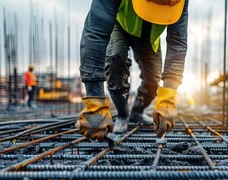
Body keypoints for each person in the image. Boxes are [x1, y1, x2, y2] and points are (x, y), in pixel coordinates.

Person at [76, 0, 188, 141]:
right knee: (115, 58)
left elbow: (178, 43)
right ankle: (123, 114)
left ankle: (137, 112)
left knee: (153, 81)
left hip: (150, 37)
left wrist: (168, 97)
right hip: (120, 25)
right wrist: (95, 100)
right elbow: (94, 33)